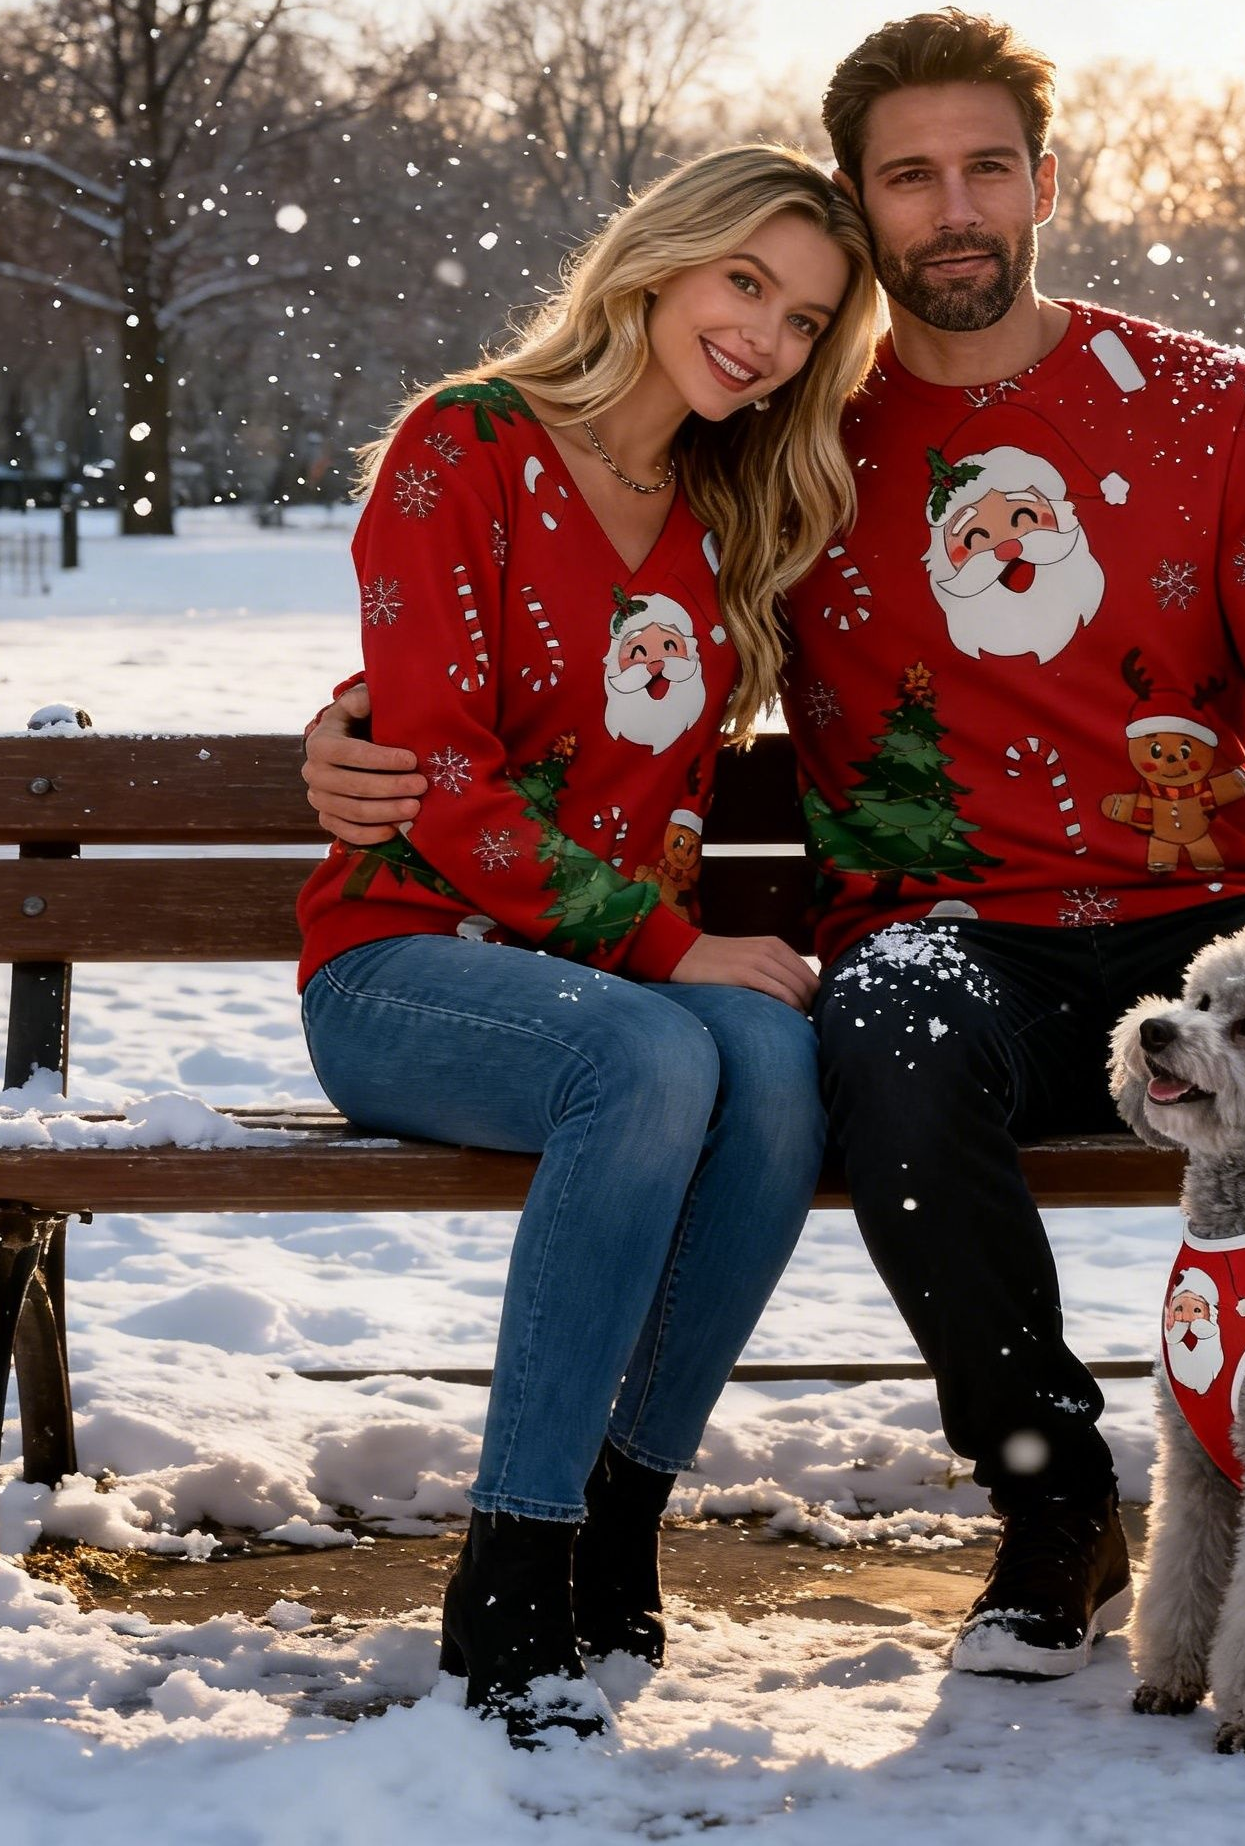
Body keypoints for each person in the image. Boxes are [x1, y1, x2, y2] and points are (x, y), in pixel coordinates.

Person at [305, 13, 1245, 1687]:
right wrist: (365, 723)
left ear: (1046, 180)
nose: (953, 208)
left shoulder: (1206, 407)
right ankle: (1049, 1503)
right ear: (860, 201)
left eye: (985, 168)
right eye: (909, 178)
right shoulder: (791, 441)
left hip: (1214, 921)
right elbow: (563, 594)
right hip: (952, 929)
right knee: (883, 1030)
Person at [294, 143, 878, 1743]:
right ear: (660, 259)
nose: (763, 334)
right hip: (406, 965)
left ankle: (622, 1510)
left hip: (617, 983)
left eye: (807, 318)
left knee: (770, 1055)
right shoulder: (462, 445)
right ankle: (509, 1571)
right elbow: (442, 771)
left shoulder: (726, 512)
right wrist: (664, 943)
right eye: (743, 281)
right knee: (648, 1051)